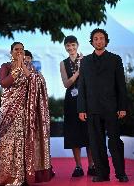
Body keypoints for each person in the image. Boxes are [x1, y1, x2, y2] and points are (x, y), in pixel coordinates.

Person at [0, 42, 54, 186]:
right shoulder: (6, 66)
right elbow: (4, 83)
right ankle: (5, 177)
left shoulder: (29, 68)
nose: (19, 52)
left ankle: (21, 177)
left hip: (24, 112)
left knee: (23, 143)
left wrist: (23, 67)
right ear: (11, 52)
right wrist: (16, 71)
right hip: (9, 110)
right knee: (6, 143)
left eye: (21, 50)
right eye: (16, 49)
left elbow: (34, 81)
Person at [77, 28, 129, 182]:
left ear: (106, 41)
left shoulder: (115, 59)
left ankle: (121, 173)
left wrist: (123, 106)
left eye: (101, 38)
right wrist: (81, 108)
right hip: (92, 108)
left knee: (115, 142)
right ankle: (102, 174)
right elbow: (82, 86)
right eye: (95, 38)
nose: (99, 41)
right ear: (92, 42)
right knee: (96, 143)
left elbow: (121, 85)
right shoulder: (85, 61)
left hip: (111, 107)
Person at [60, 35, 95, 177]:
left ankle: (92, 165)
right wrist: (77, 73)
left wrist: (83, 68)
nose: (71, 48)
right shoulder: (63, 63)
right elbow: (66, 84)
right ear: (65, 47)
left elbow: (92, 81)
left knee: (89, 132)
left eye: (73, 45)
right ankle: (78, 166)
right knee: (74, 132)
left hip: (86, 99)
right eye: (68, 46)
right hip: (71, 100)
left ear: (78, 45)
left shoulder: (86, 60)